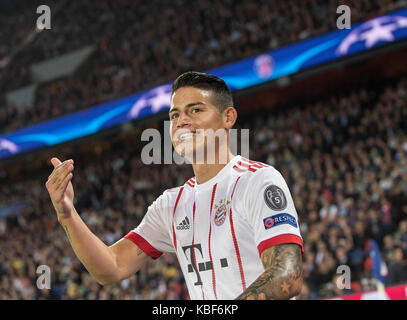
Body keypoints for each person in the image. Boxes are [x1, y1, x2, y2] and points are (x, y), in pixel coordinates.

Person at [45, 71, 304, 300]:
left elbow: (287, 275)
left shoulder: (257, 181)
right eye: (175, 114)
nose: (181, 121)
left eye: (196, 110)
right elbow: (111, 268)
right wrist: (67, 215)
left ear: (228, 117)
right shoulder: (170, 205)